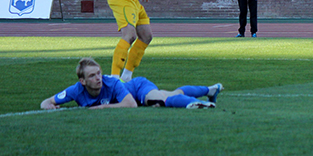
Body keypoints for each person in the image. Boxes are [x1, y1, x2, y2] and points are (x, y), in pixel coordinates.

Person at [40, 58, 223, 110]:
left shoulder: (111, 83)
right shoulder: (75, 90)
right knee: (172, 94)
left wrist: (103, 108)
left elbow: (131, 104)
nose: (98, 78)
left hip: (137, 88)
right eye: (92, 76)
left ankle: (199, 103)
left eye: (99, 73)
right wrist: (49, 106)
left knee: (157, 100)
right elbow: (46, 102)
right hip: (133, 94)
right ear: (82, 81)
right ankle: (210, 90)